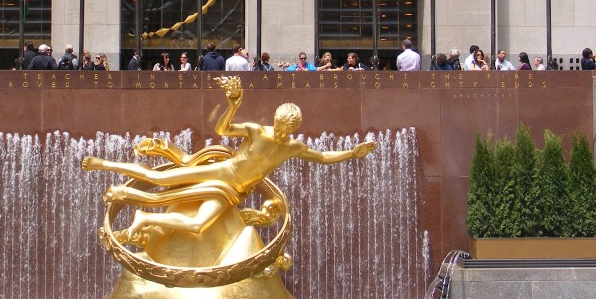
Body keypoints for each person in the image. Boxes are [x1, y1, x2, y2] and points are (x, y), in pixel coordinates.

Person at [81, 76, 376, 245]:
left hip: (234, 192)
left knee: (198, 225)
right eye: (279, 124)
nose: (281, 131)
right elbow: (222, 130)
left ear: (295, 128)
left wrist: (352, 153)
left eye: (288, 128)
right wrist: (233, 106)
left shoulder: (293, 147)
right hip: (221, 171)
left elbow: (323, 157)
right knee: (158, 179)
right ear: (274, 119)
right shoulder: (258, 131)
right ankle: (103, 164)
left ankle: (145, 217)